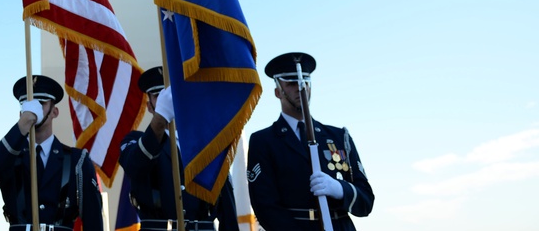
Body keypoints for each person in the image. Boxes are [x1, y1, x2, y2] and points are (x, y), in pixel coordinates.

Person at [247, 52, 374, 230]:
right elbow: (265, 206)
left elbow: (366, 202)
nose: (301, 88)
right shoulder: (264, 141)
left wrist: (339, 188)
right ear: (278, 92)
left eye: (305, 82)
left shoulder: (338, 137)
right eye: (292, 83)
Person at [118, 66, 238, 230]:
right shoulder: (135, 140)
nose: (165, 100)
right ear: (149, 106)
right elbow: (135, 166)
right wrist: (161, 118)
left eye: (170, 95)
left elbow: (227, 209)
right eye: (157, 96)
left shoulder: (207, 143)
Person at [0, 75, 103, 231]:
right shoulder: (11, 156)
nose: (33, 109)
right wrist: (22, 125)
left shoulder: (77, 160)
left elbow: (93, 220)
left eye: (40, 103)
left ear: (54, 112)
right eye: (27, 105)